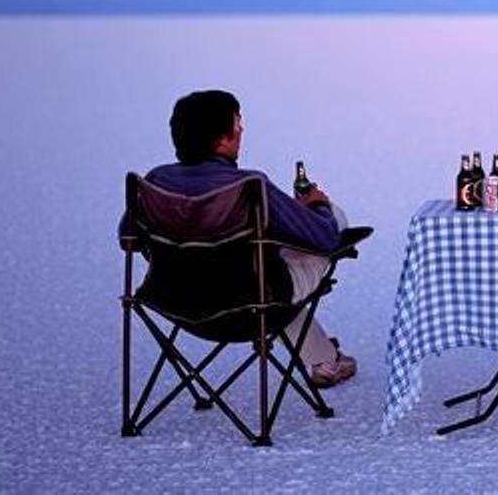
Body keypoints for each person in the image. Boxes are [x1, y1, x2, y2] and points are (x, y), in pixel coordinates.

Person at [120, 90, 358, 388]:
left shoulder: (155, 183)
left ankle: (323, 358)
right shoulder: (248, 187)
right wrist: (316, 206)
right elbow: (323, 237)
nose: (241, 130)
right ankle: (323, 362)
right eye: (237, 123)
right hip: (253, 308)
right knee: (324, 228)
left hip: (174, 302)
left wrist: (193, 255)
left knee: (264, 261)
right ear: (222, 139)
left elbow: (128, 239)